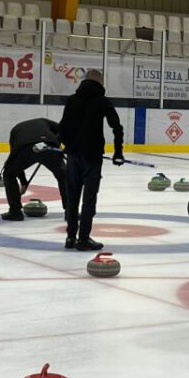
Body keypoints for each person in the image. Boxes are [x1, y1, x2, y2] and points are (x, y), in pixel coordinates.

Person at [58, 69, 124, 251]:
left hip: (73, 157)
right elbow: (117, 128)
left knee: (72, 198)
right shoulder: (103, 102)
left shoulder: (72, 100)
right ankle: (84, 238)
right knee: (89, 199)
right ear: (101, 83)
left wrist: (67, 146)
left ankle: (70, 237)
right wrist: (118, 153)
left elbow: (63, 127)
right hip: (92, 158)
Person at [0, 118, 68, 221]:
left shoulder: (16, 129)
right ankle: (71, 212)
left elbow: (14, 156)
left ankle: (15, 211)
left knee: (9, 174)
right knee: (63, 175)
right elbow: (64, 130)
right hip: (49, 145)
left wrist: (23, 182)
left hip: (25, 148)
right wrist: (61, 147)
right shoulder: (45, 122)